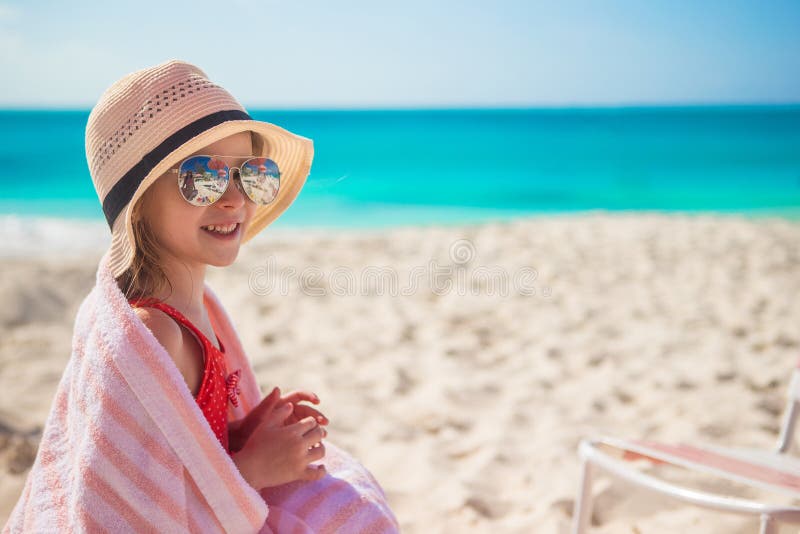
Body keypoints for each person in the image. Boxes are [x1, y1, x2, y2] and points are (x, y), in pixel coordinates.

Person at [3, 59, 399, 533]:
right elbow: (132, 511)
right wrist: (252, 468)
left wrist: (243, 435)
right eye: (203, 177)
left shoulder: (195, 311)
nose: (233, 199)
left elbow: (176, 457)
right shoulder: (152, 335)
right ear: (140, 201)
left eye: (251, 173)